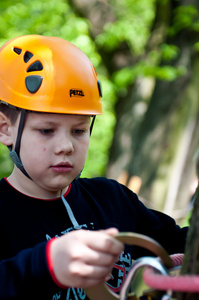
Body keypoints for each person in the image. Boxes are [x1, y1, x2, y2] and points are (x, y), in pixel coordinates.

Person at [0, 35, 188, 300]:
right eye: (46, 130)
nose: (65, 146)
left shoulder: (113, 200)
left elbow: (184, 243)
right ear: (5, 129)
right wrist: (46, 264)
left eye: (78, 130)